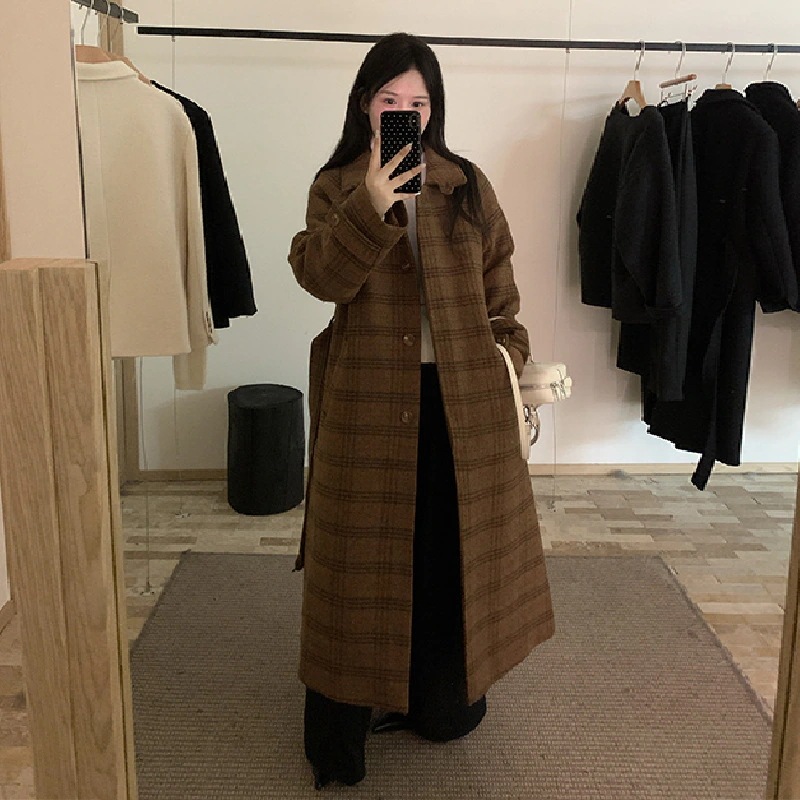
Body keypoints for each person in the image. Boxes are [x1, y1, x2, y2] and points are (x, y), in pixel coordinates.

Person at [288, 32, 555, 790]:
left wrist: (508, 354)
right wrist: (375, 200)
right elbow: (319, 278)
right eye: (389, 99)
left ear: (433, 111)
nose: (404, 111)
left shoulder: (466, 185)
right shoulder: (338, 185)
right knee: (359, 567)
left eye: (419, 101)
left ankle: (434, 696)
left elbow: (501, 288)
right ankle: (340, 733)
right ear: (364, 105)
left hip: (463, 405)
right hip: (367, 402)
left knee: (448, 557)